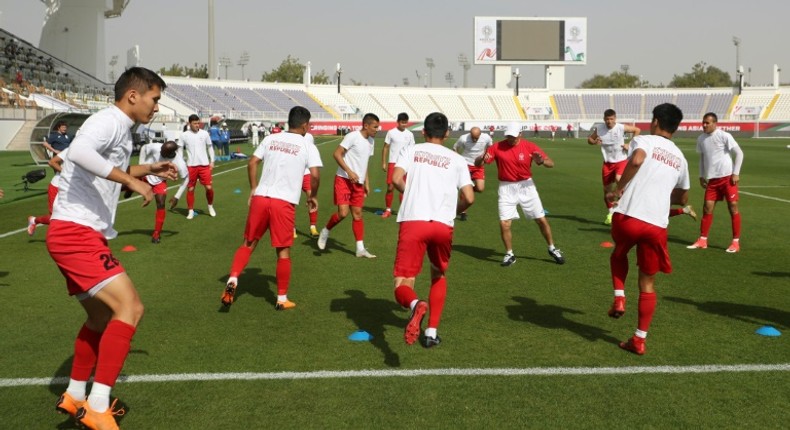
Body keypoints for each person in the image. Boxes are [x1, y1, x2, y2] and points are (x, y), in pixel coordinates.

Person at [46, 67, 174, 429]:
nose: (156, 107)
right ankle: (98, 405)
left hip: (74, 231)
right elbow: (79, 154)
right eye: (154, 99)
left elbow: (108, 165)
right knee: (130, 309)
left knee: (101, 317)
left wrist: (149, 169)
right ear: (133, 96)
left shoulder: (119, 127)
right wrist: (133, 182)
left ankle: (74, 395)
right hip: (76, 232)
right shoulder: (109, 120)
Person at [606, 103, 690, 356]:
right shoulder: (680, 158)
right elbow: (683, 199)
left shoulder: (646, 140)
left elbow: (638, 159)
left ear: (655, 121)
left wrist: (619, 187)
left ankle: (619, 297)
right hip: (657, 225)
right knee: (648, 282)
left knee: (619, 254)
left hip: (629, 216)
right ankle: (639, 339)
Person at [221, 106, 321, 310]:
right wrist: (313, 196)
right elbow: (316, 175)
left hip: (261, 197)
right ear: (305, 125)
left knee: (248, 243)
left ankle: (232, 280)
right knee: (283, 251)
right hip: (282, 202)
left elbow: (252, 163)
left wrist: (253, 188)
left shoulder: (270, 139)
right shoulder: (307, 145)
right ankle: (282, 299)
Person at [391, 112, 474, 348]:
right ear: (447, 133)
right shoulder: (457, 159)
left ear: (423, 132)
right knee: (438, 274)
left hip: (414, 221)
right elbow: (469, 197)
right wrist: (453, 211)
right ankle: (430, 333)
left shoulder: (413, 150)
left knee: (402, 284)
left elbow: (396, 179)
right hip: (442, 225)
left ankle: (416, 305)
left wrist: (411, 194)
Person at [476, 122, 565, 267]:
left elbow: (551, 163)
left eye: (513, 136)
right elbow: (479, 162)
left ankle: (552, 248)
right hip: (506, 187)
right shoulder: (497, 147)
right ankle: (509, 254)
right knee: (504, 223)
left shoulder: (529, 146)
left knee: (541, 220)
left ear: (520, 134)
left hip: (527, 186)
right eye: (508, 136)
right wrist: (482, 158)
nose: (510, 139)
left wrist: (541, 161)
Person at [317, 113, 380, 258]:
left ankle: (360, 249)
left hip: (358, 183)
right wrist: (349, 172)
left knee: (358, 215)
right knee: (343, 213)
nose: (377, 129)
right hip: (344, 180)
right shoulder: (353, 136)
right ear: (366, 125)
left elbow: (365, 164)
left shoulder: (371, 141)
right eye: (375, 126)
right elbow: (337, 154)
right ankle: (326, 231)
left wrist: (366, 183)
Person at [687, 112, 745, 253]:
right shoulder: (701, 138)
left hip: (727, 178)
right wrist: (701, 175)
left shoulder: (724, 135)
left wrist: (736, 172)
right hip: (712, 180)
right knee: (707, 208)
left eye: (707, 122)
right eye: (703, 122)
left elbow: (739, 153)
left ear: (715, 123)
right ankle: (702, 240)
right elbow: (702, 158)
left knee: (733, 207)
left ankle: (735, 242)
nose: (704, 125)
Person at [587, 109, 643, 225]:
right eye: (607, 119)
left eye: (611, 119)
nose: (609, 121)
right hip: (607, 163)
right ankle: (611, 212)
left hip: (621, 161)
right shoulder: (600, 128)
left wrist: (630, 144)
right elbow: (590, 139)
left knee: (619, 179)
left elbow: (637, 130)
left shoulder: (620, 127)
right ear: (604, 119)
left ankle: (627, 208)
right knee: (607, 192)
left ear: (615, 119)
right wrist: (594, 141)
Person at [138, 140, 188, 243]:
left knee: (161, 204)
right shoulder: (157, 146)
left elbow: (186, 179)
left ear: (170, 154)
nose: (160, 151)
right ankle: (131, 189)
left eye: (163, 152)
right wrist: (141, 166)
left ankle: (157, 233)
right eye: (161, 149)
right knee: (125, 183)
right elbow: (144, 148)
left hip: (159, 180)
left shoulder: (180, 163)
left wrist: (177, 196)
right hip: (146, 174)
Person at [179, 114, 216, 220]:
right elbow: (180, 150)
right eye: (195, 123)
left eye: (198, 123)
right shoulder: (184, 135)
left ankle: (210, 206)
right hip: (190, 166)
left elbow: (210, 147)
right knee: (190, 189)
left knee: (209, 188)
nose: (197, 125)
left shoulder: (205, 134)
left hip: (204, 165)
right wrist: (181, 163)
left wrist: (212, 161)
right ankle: (190, 210)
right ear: (189, 123)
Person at [452, 126, 492, 221]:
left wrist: (486, 154)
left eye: (476, 138)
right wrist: (459, 159)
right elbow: (454, 148)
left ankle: (466, 190)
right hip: (466, 165)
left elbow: (491, 147)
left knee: (480, 188)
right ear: (470, 134)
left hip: (478, 165)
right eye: (473, 137)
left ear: (480, 134)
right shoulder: (463, 138)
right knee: (465, 191)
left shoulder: (486, 137)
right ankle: (463, 212)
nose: (474, 139)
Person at [381, 112, 415, 218]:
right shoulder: (391, 133)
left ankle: (403, 210)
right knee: (390, 187)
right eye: (402, 122)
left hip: (405, 164)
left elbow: (412, 150)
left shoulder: (410, 134)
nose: (404, 124)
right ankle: (388, 209)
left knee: (403, 187)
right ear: (398, 122)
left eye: (405, 123)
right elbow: (385, 147)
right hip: (393, 162)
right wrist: (383, 162)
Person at [27, 148, 68, 236]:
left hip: (71, 188)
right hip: (57, 186)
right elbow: (52, 162)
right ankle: (34, 220)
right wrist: (66, 173)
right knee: (54, 217)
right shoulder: (71, 149)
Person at [299, 132, 323, 238]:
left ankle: (313, 226)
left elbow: (311, 154)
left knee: (311, 196)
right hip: (292, 173)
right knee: (290, 200)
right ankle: (291, 228)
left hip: (306, 172)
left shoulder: (309, 136)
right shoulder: (289, 135)